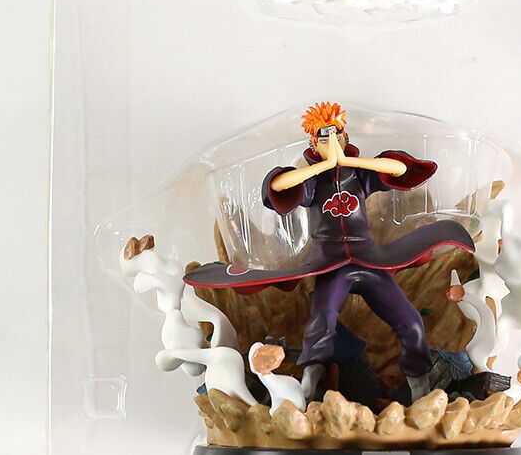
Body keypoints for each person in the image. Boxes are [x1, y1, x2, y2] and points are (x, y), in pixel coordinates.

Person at [184, 102, 475, 401]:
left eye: (338, 135)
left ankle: (419, 390)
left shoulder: (359, 176)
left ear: (346, 137)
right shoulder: (311, 182)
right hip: (332, 265)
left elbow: (400, 169)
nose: (333, 142)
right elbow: (278, 186)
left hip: (369, 260)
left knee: (410, 320)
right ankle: (308, 391)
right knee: (322, 325)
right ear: (313, 144)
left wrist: (350, 162)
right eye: (324, 138)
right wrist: (323, 166)